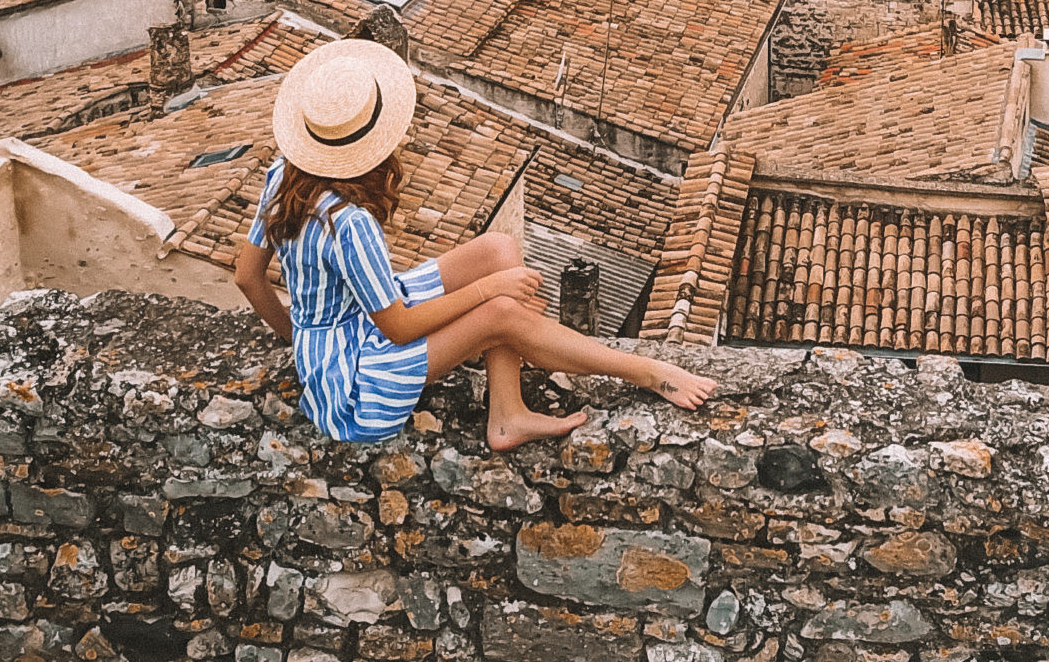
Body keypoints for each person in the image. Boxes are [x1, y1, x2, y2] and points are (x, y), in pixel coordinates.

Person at [233, 38, 714, 450]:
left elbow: (247, 276)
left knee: (498, 250)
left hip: (345, 340)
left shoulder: (284, 175)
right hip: (356, 392)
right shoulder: (349, 221)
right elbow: (399, 328)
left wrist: (301, 340)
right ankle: (648, 372)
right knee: (501, 309)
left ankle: (507, 412)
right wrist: (489, 292)